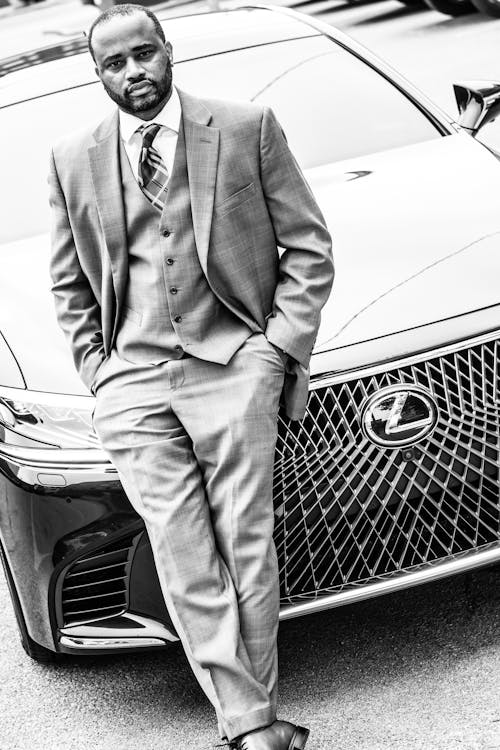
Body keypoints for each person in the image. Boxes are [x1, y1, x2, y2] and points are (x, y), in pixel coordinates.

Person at [48, 5, 334, 748]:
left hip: (233, 363)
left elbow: (309, 248)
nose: (133, 72)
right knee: (183, 555)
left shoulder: (245, 126)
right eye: (114, 63)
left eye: (143, 54)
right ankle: (255, 726)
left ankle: (247, 728)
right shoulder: (72, 158)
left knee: (246, 543)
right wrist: (100, 372)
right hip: (132, 381)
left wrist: (275, 350)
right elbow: (69, 284)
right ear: (97, 73)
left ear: (167, 51)